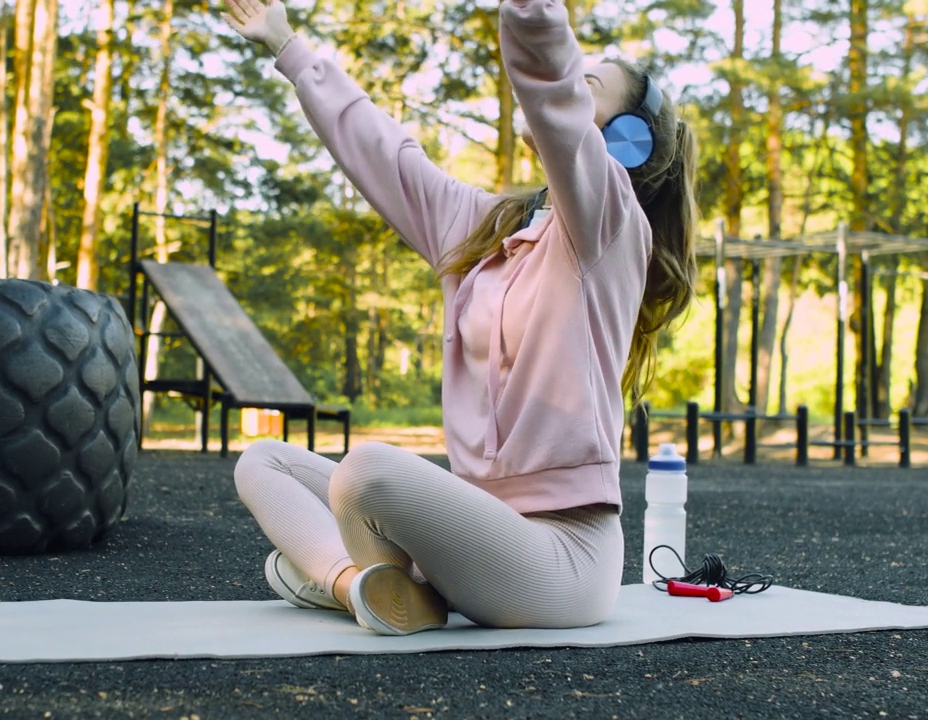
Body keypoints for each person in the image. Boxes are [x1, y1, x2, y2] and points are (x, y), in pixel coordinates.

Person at [224, 0, 698, 636]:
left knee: (366, 473)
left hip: (560, 560)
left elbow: (547, 79)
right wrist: (288, 46)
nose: (569, 85)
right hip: (468, 529)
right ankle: (361, 587)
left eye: (589, 84)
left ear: (621, 141)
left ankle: (339, 577)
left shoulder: (612, 224)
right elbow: (386, 154)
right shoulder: (491, 230)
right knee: (264, 462)